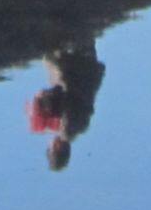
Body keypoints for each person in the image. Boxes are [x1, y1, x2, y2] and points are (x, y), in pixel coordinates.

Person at [28, 39, 105, 170]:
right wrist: (47, 97)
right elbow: (67, 96)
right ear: (56, 148)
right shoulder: (66, 128)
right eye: (50, 148)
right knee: (47, 55)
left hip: (88, 69)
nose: (50, 143)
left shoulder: (79, 128)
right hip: (74, 71)